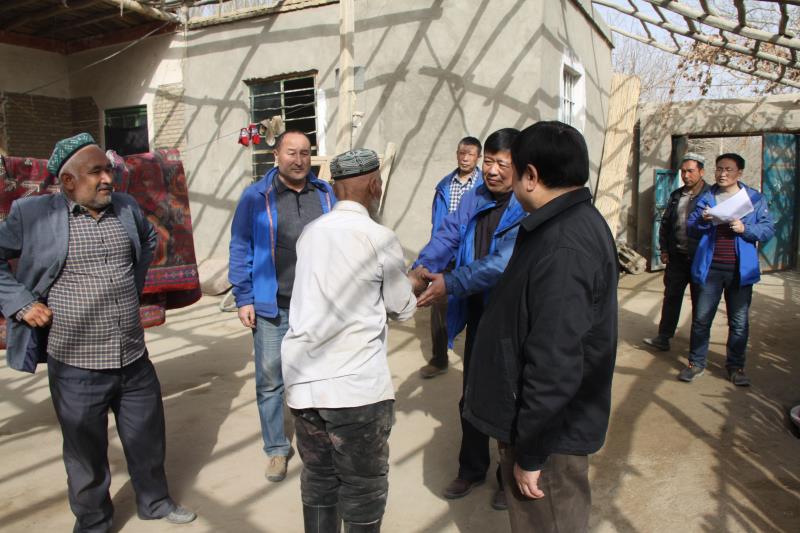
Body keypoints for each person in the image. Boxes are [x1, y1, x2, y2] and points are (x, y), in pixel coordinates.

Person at [0, 133, 196, 532]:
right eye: (96, 172)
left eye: (108, 170)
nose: (108, 178)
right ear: (68, 181)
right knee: (85, 453)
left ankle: (155, 502)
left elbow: (146, 240)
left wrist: (130, 287)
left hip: (133, 357)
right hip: (76, 365)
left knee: (147, 439)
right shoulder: (33, 214)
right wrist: (21, 303)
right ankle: (93, 522)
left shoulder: (126, 207)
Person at [463, 121, 618, 533]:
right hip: (547, 427)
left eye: (512, 169)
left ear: (530, 175)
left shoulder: (564, 245)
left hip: (550, 438)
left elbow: (555, 361)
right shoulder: (560, 224)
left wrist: (532, 453)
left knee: (547, 523)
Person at [281, 149, 417, 532]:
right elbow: (401, 306)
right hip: (355, 390)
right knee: (362, 488)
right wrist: (413, 284)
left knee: (319, 479)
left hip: (305, 385)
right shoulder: (379, 237)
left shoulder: (311, 233)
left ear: (335, 188)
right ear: (375, 186)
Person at [409, 128, 527, 509]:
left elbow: (501, 263)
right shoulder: (476, 196)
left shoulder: (525, 204)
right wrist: (421, 269)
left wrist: (451, 283)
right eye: (488, 162)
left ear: (519, 166)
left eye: (501, 164)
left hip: (511, 317)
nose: (492, 171)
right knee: (472, 394)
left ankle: (507, 476)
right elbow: (447, 235)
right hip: (479, 313)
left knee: (510, 397)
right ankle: (472, 468)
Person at [228, 130, 336, 481]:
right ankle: (276, 449)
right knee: (271, 379)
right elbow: (240, 246)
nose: (299, 160)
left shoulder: (325, 193)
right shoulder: (255, 196)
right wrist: (244, 297)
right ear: (276, 155)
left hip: (317, 306)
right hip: (273, 306)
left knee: (318, 373)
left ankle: (320, 443)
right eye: (292, 152)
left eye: (305, 153)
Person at [681, 153, 775, 386]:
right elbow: (691, 226)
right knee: (701, 319)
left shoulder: (753, 198)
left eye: (728, 169)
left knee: (739, 321)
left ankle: (736, 367)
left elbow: (767, 229)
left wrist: (745, 229)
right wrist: (703, 220)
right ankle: (696, 363)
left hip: (739, 271)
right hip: (710, 268)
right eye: (719, 169)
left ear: (739, 173)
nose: (722, 174)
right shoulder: (707, 197)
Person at [419, 136, 483, 379]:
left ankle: (477, 362)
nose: (465, 158)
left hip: (473, 254)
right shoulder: (444, 186)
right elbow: (437, 224)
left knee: (477, 305)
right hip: (447, 254)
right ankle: (439, 359)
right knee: (439, 303)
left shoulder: (485, 186)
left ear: (478, 157)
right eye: (461, 153)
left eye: (470, 154)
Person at [643, 153, 710, 351]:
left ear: (701, 172)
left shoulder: (711, 196)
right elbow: (665, 225)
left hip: (700, 259)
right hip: (677, 258)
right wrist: (664, 249)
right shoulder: (676, 195)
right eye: (683, 171)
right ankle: (663, 337)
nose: (686, 175)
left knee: (701, 302)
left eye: (690, 171)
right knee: (671, 297)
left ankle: (697, 345)